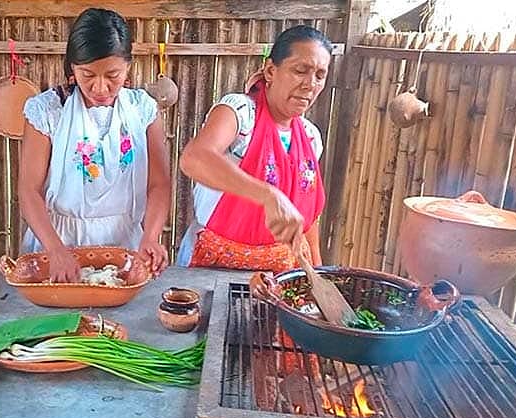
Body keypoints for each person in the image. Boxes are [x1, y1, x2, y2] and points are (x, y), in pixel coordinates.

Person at [19, 8, 171, 282]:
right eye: (87, 74)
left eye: (112, 75)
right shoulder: (48, 110)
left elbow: (159, 184)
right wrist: (55, 249)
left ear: (128, 66)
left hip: (126, 243)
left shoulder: (142, 110)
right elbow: (29, 190)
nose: (100, 87)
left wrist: (151, 236)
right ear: (72, 68)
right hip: (59, 240)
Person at [177, 25, 331, 272]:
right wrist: (268, 195)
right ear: (270, 70)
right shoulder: (240, 113)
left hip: (278, 275)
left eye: (320, 75)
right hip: (213, 268)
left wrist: (318, 273)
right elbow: (194, 158)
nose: (310, 84)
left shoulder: (311, 137)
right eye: (300, 70)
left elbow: (307, 218)